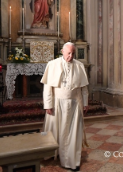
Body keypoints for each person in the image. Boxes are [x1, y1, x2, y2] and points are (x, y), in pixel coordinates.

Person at [41, 42, 89, 170]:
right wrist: (48, 105)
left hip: (74, 103)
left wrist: (85, 103)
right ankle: (52, 153)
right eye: (69, 53)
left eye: (73, 53)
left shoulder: (79, 65)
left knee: (73, 132)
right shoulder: (52, 65)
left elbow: (84, 88)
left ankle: (70, 160)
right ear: (62, 51)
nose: (71, 56)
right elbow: (47, 88)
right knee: (57, 130)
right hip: (57, 103)